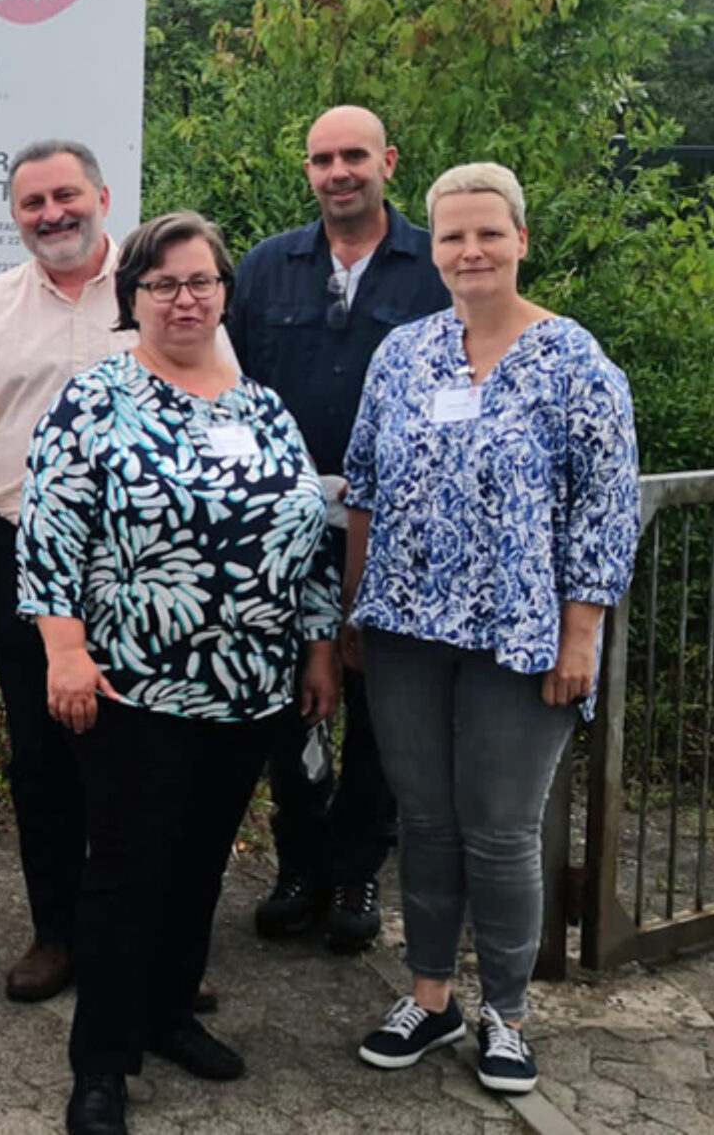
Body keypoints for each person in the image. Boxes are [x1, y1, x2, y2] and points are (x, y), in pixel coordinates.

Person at [20, 211, 341, 1135]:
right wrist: (65, 652)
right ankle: (101, 1064)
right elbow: (50, 537)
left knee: (199, 865)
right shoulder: (93, 400)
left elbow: (310, 540)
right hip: (133, 687)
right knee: (126, 870)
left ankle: (165, 1016)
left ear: (225, 293)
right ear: (133, 300)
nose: (184, 299)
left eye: (200, 281)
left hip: (250, 689)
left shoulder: (263, 404)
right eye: (162, 285)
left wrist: (317, 647)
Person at [345, 163, 639, 1097]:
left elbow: (604, 506)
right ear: (430, 250)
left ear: (521, 240)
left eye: (487, 234)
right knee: (426, 822)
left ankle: (506, 1013)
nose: (470, 251)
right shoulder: (402, 354)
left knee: (502, 831)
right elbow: (363, 486)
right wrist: (355, 613)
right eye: (451, 237)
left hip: (523, 637)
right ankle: (430, 998)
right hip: (403, 631)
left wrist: (580, 633)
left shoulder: (576, 361)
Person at [0, 140, 231, 1003]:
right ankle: (59, 933)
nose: (51, 214)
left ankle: (156, 942)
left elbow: (224, 411)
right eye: (32, 203)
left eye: (65, 195)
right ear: (12, 216)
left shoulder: (162, 294)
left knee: (155, 754)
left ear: (102, 194)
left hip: (155, 566)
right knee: (44, 754)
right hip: (22, 548)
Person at [227, 106, 450, 953]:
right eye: (322, 158)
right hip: (285, 534)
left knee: (378, 707)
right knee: (294, 704)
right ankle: (300, 863)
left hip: (397, 532)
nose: (338, 172)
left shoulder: (433, 268)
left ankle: (359, 868)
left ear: (387, 160)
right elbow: (233, 390)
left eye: (354, 155)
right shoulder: (267, 267)